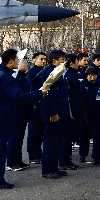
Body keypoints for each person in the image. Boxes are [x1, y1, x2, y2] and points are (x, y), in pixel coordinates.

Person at [0, 49, 46, 190]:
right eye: (17, 60)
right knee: (0, 150)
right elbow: (19, 96)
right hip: (1, 118)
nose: (19, 62)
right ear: (10, 61)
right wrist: (40, 94)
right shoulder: (6, 77)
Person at [38, 50, 72, 179]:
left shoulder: (60, 71)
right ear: (55, 61)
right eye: (62, 59)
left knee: (56, 142)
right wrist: (53, 112)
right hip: (53, 114)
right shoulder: (50, 72)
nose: (64, 61)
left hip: (61, 113)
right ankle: (47, 170)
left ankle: (54, 168)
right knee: (50, 142)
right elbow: (47, 94)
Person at [5, 53, 34, 172]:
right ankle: (11, 162)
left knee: (19, 138)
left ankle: (18, 160)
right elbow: (19, 95)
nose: (25, 64)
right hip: (15, 112)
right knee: (14, 138)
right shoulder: (14, 77)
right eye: (22, 62)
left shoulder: (23, 76)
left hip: (23, 111)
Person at [79, 66, 100, 165]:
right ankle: (83, 154)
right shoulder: (82, 86)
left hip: (98, 114)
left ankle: (97, 157)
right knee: (84, 137)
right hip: (86, 115)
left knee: (98, 137)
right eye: (90, 75)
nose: (92, 77)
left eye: (94, 75)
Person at [25, 51, 48, 164]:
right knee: (34, 132)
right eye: (41, 59)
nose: (43, 61)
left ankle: (39, 154)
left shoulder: (45, 71)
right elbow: (29, 87)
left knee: (41, 132)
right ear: (35, 60)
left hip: (43, 104)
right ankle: (33, 155)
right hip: (34, 105)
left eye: (45, 59)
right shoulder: (31, 73)